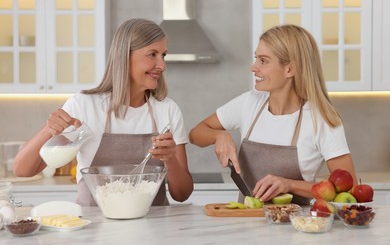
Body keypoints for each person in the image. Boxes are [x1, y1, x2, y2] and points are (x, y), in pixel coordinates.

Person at [13, 18, 193, 206]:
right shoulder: (83, 106)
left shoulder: (167, 110)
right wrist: (48, 130)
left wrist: (171, 160)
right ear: (125, 56)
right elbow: (22, 170)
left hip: (153, 228)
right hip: (95, 230)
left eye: (163, 55)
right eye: (152, 54)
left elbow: (182, 194)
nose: (162, 65)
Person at [189, 24, 358, 205]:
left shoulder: (321, 119)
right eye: (256, 59)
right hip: (245, 225)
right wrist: (219, 135)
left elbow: (348, 190)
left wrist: (289, 185)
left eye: (263, 61)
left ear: (289, 69)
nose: (253, 68)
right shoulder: (249, 103)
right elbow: (195, 134)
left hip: (298, 226)